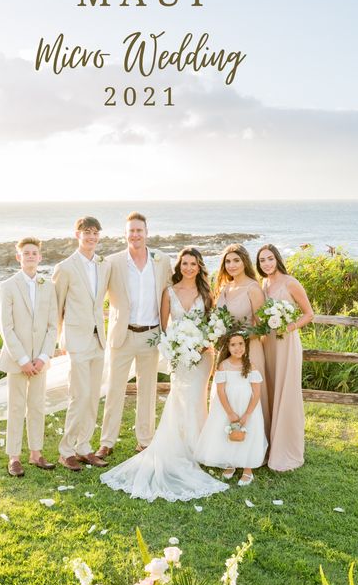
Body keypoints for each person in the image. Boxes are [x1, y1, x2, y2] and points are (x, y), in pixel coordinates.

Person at [100, 247, 229, 501]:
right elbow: (163, 326)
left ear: (199, 266)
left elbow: (213, 323)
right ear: (179, 266)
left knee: (198, 398)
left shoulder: (206, 292)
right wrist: (176, 347)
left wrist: (204, 343)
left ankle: (200, 448)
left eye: (194, 264)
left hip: (203, 354)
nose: (189, 268)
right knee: (181, 399)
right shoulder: (169, 292)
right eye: (185, 263)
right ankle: (182, 448)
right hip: (180, 355)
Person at [96, 212, 172, 459]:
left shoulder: (162, 261)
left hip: (151, 336)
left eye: (139, 230)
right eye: (131, 231)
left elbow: (171, 296)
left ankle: (145, 440)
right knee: (115, 390)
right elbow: (95, 295)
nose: (135, 234)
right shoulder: (112, 262)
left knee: (147, 390)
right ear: (125, 234)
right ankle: (107, 441)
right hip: (122, 335)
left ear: (147, 232)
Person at [52, 217, 111, 472]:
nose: (91, 237)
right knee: (79, 395)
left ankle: (84, 447)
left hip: (99, 339)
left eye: (95, 233)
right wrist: (59, 339)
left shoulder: (104, 264)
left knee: (93, 395)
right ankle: (66, 450)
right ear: (77, 234)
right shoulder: (64, 267)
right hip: (76, 341)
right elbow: (56, 307)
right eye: (87, 232)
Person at [0, 237, 58, 477]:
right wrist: (22, 360)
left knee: (37, 405)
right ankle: (14, 456)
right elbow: (6, 327)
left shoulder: (48, 286)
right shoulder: (8, 286)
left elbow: (53, 326)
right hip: (17, 360)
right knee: (16, 406)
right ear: (18, 257)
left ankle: (36, 453)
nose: (31, 256)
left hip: (40, 360)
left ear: (40, 257)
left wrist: (43, 356)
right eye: (26, 253)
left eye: (34, 253)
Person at [256, 244, 314, 471]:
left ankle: (286, 448)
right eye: (262, 261)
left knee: (285, 390)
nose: (267, 264)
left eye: (270, 259)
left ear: (277, 259)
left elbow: (309, 314)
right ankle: (270, 444)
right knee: (270, 389)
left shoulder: (291, 282)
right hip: (267, 342)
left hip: (286, 343)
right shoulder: (264, 284)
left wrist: (289, 327)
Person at [195, 331, 267, 486]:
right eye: (233, 344)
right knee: (227, 432)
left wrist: (247, 414)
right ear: (228, 347)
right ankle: (231, 463)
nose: (237, 348)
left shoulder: (251, 366)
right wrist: (229, 412)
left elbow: (256, 394)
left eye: (241, 344)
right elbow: (220, 391)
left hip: (248, 408)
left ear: (245, 346)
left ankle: (248, 469)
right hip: (228, 407)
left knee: (249, 434)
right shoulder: (223, 366)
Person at [215, 243, 270, 440]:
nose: (232, 265)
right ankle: (227, 443)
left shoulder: (253, 288)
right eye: (228, 261)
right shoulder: (225, 287)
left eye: (236, 260)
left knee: (249, 397)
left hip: (249, 350)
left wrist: (239, 339)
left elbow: (264, 327)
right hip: (226, 352)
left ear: (245, 261)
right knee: (227, 396)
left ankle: (253, 444)